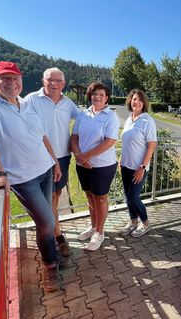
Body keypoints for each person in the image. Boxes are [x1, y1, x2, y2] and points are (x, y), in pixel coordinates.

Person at [0, 61, 63, 292]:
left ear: (21, 81)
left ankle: (52, 250)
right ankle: (50, 266)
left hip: (45, 170)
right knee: (47, 222)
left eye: (15, 78)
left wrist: (55, 162)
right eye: (5, 78)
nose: (11, 82)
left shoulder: (26, 104)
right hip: (23, 178)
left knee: (49, 216)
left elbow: (42, 137)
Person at [24, 67, 80, 257]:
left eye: (58, 81)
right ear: (43, 81)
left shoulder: (68, 103)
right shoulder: (31, 99)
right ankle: (55, 236)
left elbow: (84, 119)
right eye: (50, 80)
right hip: (39, 156)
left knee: (55, 197)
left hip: (62, 156)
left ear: (63, 84)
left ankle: (54, 235)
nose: (54, 84)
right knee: (43, 200)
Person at [70, 82, 119, 251]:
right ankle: (93, 227)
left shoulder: (110, 116)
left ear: (107, 98)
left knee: (100, 198)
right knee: (89, 197)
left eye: (101, 95)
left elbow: (110, 141)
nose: (97, 97)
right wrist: (79, 156)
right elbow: (74, 137)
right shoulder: (83, 114)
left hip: (102, 166)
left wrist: (86, 156)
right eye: (94, 94)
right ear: (90, 96)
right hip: (82, 164)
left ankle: (100, 232)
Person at [118, 89, 157, 238]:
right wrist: (121, 160)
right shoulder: (129, 119)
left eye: (140, 100)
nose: (137, 102)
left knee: (134, 197)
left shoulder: (148, 121)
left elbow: (151, 146)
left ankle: (145, 223)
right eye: (134, 99)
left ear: (144, 103)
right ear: (130, 101)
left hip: (138, 167)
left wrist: (142, 167)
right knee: (128, 197)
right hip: (126, 165)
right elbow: (126, 142)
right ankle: (133, 222)